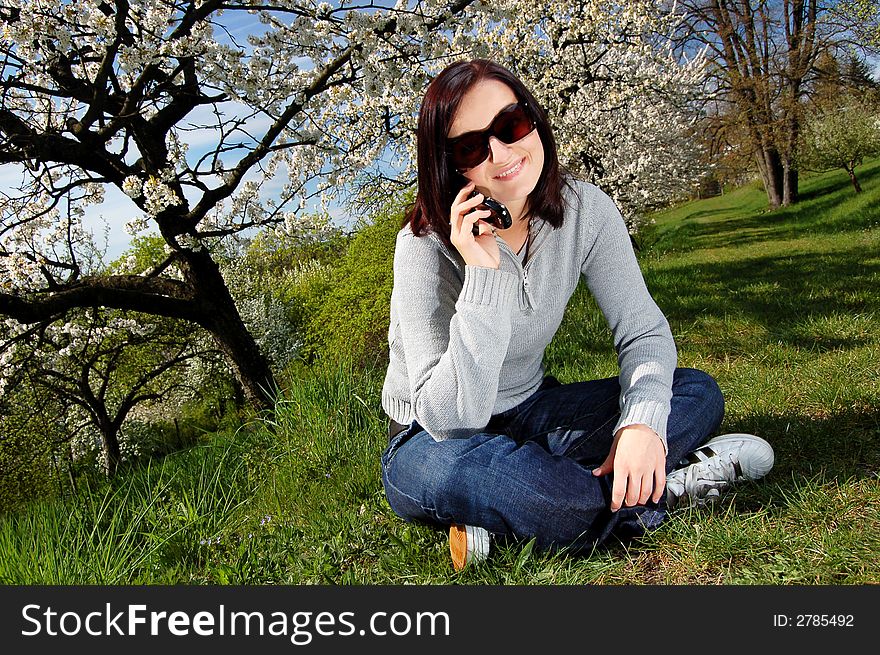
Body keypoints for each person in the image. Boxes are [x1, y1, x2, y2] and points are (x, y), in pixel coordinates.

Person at [379, 59, 774, 571]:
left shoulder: (585, 209)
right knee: (541, 492)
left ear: (535, 121)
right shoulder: (423, 247)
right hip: (429, 439)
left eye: (510, 125)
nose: (502, 152)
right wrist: (482, 275)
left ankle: (521, 522)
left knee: (693, 393)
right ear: (455, 167)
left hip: (533, 409)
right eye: (473, 147)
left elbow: (642, 328)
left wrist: (640, 426)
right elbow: (452, 419)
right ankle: (660, 492)